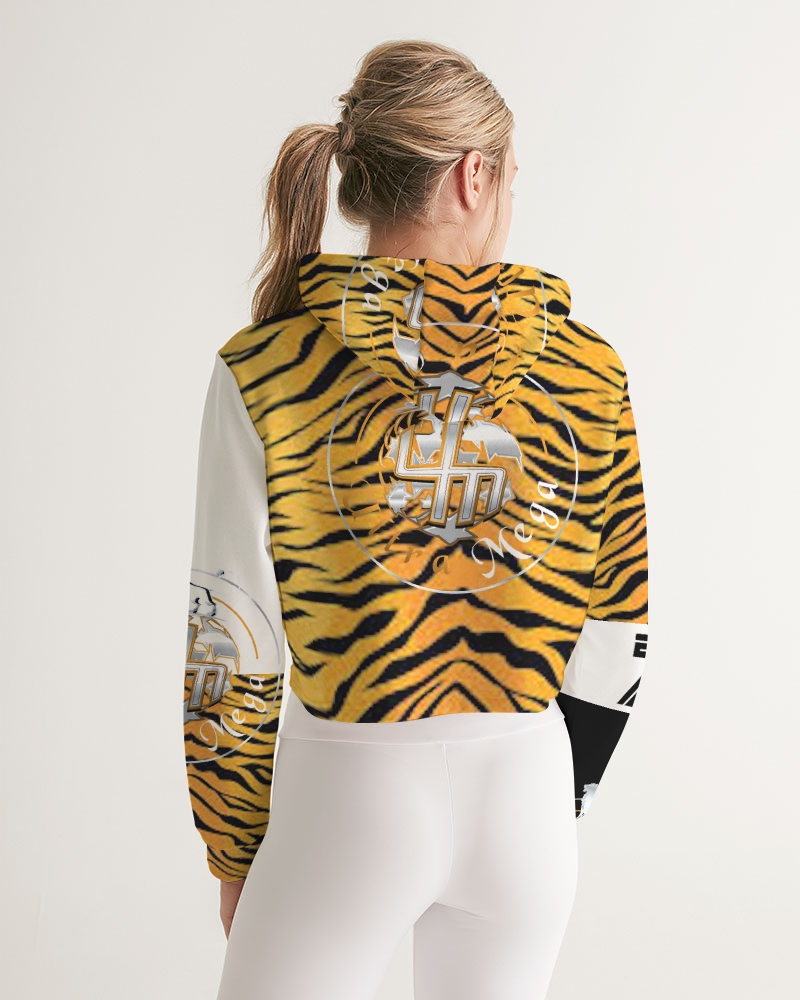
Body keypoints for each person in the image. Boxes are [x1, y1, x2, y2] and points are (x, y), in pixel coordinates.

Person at [183, 38, 650, 1000]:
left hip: (344, 798)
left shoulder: (265, 366)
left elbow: (231, 632)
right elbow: (618, 624)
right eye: (511, 179)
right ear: (476, 176)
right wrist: (551, 802)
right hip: (526, 790)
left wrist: (233, 845)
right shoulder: (589, 369)